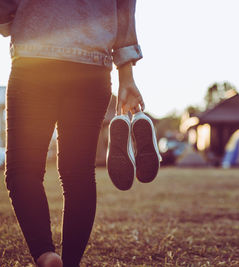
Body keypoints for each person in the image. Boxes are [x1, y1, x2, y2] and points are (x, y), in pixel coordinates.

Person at [0, 0, 149, 266]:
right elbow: (124, 6)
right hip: (92, 65)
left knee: (23, 171)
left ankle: (46, 255)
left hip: (35, 56)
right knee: (78, 174)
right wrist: (126, 74)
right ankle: (70, 263)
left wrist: (7, 19)